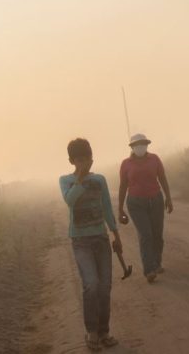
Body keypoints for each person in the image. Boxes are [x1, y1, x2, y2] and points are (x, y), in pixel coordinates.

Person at [59, 138, 121, 351]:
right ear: (71, 161)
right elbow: (70, 200)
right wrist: (81, 178)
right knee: (91, 284)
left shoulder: (100, 180)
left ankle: (104, 332)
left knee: (104, 287)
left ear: (91, 157)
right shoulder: (66, 181)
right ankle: (91, 331)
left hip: (101, 239)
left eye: (87, 158)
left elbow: (106, 207)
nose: (84, 162)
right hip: (81, 242)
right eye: (79, 159)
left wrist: (116, 235)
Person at [118, 133, 174, 283]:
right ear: (132, 147)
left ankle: (157, 263)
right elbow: (123, 186)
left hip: (156, 201)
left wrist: (168, 198)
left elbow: (162, 178)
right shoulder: (126, 164)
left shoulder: (154, 159)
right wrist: (120, 209)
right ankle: (149, 270)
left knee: (157, 235)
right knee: (145, 234)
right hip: (136, 204)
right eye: (137, 145)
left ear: (147, 145)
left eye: (143, 144)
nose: (140, 147)